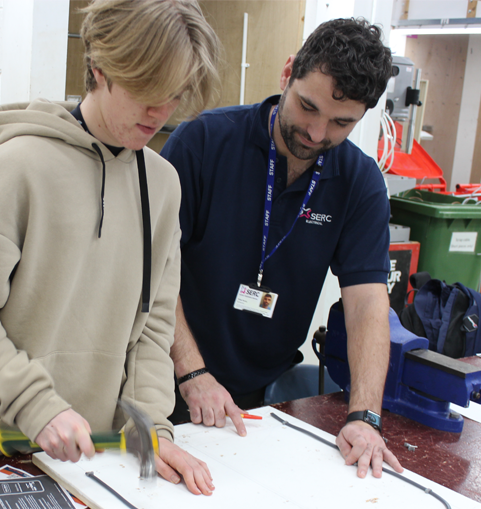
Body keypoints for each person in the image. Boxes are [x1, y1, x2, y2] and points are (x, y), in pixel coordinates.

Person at [0, 0, 221, 495]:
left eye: (174, 95)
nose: (161, 112)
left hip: (106, 456)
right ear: (99, 68)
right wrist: (38, 405)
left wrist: (150, 428)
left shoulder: (163, 185)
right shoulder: (15, 167)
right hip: (2, 446)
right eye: (145, 90)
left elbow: (153, 327)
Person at [161, 18, 404, 479]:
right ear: (288, 72)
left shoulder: (359, 182)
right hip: (165, 377)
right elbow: (154, 270)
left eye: (341, 122)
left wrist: (364, 416)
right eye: (307, 107)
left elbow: (368, 302)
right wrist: (192, 374)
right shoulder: (204, 143)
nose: (316, 133)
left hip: (260, 393)